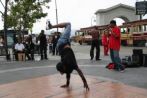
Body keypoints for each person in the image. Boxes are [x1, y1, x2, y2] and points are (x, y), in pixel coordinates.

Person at [49, 22, 89, 90]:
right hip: (65, 45)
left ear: (64, 67)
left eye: (61, 71)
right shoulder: (66, 66)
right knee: (67, 25)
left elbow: (79, 71)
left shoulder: (70, 63)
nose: (61, 73)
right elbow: (68, 73)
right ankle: (52, 26)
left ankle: (52, 26)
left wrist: (85, 82)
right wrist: (67, 84)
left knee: (68, 24)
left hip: (62, 42)